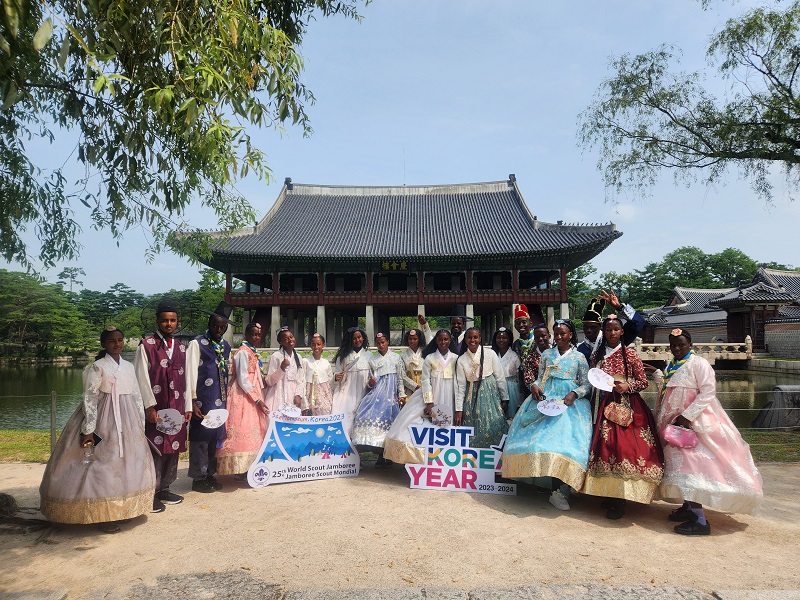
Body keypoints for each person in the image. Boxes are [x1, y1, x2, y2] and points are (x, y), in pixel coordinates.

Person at [40, 327, 155, 533]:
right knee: (102, 464)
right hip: (105, 419)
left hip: (127, 420)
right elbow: (90, 398)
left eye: (120, 340)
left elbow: (137, 396)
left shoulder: (129, 366)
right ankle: (102, 513)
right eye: (112, 341)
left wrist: (139, 423)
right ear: (104, 344)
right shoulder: (98, 367)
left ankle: (122, 508)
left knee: (127, 463)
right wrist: (88, 429)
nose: (117, 344)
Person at [653, 328, 763, 536]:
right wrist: (657, 374)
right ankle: (688, 506)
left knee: (694, 467)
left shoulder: (699, 363)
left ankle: (699, 520)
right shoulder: (672, 365)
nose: (677, 348)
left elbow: (708, 391)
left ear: (690, 344)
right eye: (673, 345)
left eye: (681, 344)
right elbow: (669, 389)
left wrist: (688, 416)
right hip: (675, 423)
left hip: (696, 424)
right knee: (681, 467)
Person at [502, 320, 592, 511]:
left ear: (570, 335)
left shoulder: (579, 357)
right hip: (548, 398)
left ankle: (562, 489)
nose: (559, 337)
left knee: (565, 444)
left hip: (569, 403)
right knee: (540, 441)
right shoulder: (547, 355)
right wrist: (534, 385)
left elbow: (586, 384)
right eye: (556, 334)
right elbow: (541, 377)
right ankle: (549, 485)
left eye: (563, 334)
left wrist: (574, 393)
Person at [582, 315, 664, 519]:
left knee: (624, 449)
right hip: (602, 404)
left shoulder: (630, 354)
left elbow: (643, 381)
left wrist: (628, 386)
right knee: (605, 447)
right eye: (608, 329)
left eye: (616, 329)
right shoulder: (597, 355)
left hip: (626, 404)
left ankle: (621, 499)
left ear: (622, 331)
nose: (612, 333)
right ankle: (609, 493)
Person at [134, 299, 191, 513]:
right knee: (155, 448)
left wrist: (187, 406)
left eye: (173, 320)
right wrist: (149, 406)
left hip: (176, 407)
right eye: (165, 320)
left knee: (173, 448)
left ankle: (165, 487)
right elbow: (141, 378)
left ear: (177, 322)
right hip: (157, 408)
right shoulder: (146, 346)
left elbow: (187, 379)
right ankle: (151, 491)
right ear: (157, 320)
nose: (169, 324)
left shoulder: (182, 347)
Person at [384, 330, 456, 464]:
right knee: (420, 422)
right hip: (432, 394)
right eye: (440, 340)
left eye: (446, 339)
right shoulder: (429, 358)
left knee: (447, 426)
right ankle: (423, 458)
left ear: (450, 341)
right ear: (436, 341)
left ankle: (445, 459)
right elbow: (425, 381)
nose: (443, 342)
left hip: (449, 395)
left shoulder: (456, 359)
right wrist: (429, 402)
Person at [186, 301, 234, 493]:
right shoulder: (197, 344)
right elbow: (189, 373)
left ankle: (210, 474)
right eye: (215, 325)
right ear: (209, 324)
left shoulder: (226, 346)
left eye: (222, 327)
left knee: (215, 437)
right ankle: (198, 478)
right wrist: (191, 401)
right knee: (200, 438)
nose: (219, 329)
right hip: (202, 399)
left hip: (219, 399)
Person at [217, 322, 269, 479]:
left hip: (253, 392)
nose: (256, 337)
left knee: (254, 428)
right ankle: (240, 467)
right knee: (242, 427)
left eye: (259, 335)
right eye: (253, 334)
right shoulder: (242, 353)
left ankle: (250, 466)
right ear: (246, 335)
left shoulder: (252, 352)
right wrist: (257, 399)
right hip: (243, 395)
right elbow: (242, 378)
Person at [351, 332, 405, 464]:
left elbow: (400, 379)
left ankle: (387, 456)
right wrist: (371, 383)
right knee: (364, 416)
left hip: (390, 396)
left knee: (390, 423)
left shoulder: (396, 358)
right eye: (378, 343)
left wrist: (402, 394)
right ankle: (376, 452)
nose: (381, 345)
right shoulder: (373, 360)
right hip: (377, 395)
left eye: (383, 342)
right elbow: (370, 381)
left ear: (387, 342)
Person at [455, 327, 509, 448]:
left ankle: (496, 453)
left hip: (490, 394)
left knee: (494, 423)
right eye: (469, 337)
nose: (472, 340)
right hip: (471, 396)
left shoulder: (490, 354)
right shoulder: (462, 360)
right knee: (474, 427)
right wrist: (459, 409)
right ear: (465, 339)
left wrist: (504, 398)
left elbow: (500, 377)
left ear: (480, 338)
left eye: (475, 337)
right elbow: (461, 386)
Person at [331, 326, 373, 435]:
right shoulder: (343, 355)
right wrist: (336, 376)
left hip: (363, 389)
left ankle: (358, 440)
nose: (357, 340)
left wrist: (371, 383)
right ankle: (344, 437)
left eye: (359, 337)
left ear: (363, 338)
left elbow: (372, 375)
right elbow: (337, 372)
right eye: (354, 338)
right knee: (345, 412)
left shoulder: (369, 355)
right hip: (347, 389)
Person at [264, 327, 305, 417]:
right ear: (280, 342)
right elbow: (269, 381)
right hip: (278, 394)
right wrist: (281, 368)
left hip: (293, 395)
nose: (290, 340)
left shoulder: (298, 357)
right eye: (286, 339)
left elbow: (301, 379)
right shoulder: (276, 356)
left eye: (291, 337)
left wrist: (298, 395)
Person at [492, 327, 521, 418]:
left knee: (511, 415)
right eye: (499, 338)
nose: (501, 340)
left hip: (511, 388)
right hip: (496, 386)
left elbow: (518, 375)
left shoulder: (514, 356)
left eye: (504, 338)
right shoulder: (493, 354)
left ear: (509, 340)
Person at [303, 333, 334, 416]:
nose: (316, 347)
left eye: (318, 344)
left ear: (323, 345)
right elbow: (302, 380)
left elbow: (331, 381)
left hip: (324, 393)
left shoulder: (326, 363)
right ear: (310, 346)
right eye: (313, 345)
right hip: (310, 393)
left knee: (324, 413)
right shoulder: (306, 361)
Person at [521, 323, 551, 393]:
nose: (540, 339)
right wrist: (533, 386)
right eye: (537, 337)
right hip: (538, 392)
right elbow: (528, 377)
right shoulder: (531, 357)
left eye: (543, 336)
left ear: (549, 336)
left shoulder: (557, 354)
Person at [577, 296, 605, 363]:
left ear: (600, 326)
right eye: (586, 327)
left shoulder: (608, 344)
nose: (589, 330)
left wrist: (619, 307)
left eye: (593, 327)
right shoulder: (580, 349)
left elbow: (634, 326)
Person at [400, 328, 425, 400]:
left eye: (415, 339)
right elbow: (402, 375)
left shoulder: (425, 353)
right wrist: (415, 386)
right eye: (410, 339)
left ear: (419, 339)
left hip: (423, 383)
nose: (412, 341)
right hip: (410, 386)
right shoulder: (403, 355)